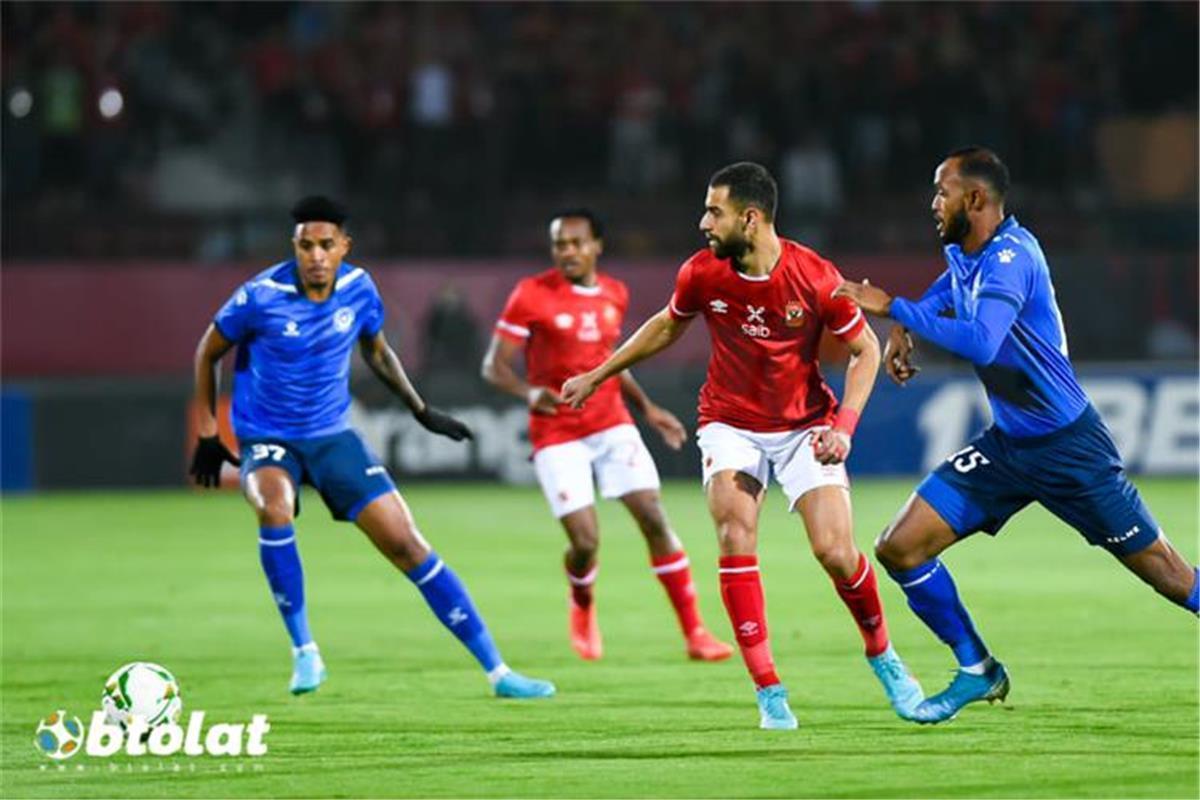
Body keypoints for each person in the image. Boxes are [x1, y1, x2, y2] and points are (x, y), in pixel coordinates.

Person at [834, 146, 1199, 724]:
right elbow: (949, 290)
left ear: (974, 198)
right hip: (1008, 447)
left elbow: (981, 339)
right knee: (899, 546)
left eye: (942, 191)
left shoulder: (1013, 256)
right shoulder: (965, 250)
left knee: (1171, 577)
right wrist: (906, 324)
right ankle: (978, 668)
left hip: (1068, 449)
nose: (934, 203)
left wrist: (889, 306)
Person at [561, 166, 923, 729]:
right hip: (729, 422)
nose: (704, 222)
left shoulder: (814, 276)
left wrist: (845, 427)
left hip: (805, 423)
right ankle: (769, 690)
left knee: (834, 551)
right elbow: (665, 326)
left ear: (750, 218)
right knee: (734, 532)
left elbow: (865, 350)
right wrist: (598, 373)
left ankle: (883, 655)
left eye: (714, 212)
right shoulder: (703, 273)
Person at [190, 195, 555, 700]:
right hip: (268, 437)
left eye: (325, 245)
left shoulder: (359, 289)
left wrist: (420, 409)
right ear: (293, 247)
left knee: (408, 544)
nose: (315, 255)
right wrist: (210, 432)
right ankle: (305, 652)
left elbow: (377, 349)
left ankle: (499, 672)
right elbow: (208, 351)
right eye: (305, 246)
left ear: (344, 246)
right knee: (274, 508)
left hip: (332, 436)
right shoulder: (259, 296)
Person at [481, 209, 733, 663]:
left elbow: (610, 363)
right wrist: (528, 392)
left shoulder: (615, 293)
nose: (568, 252)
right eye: (560, 244)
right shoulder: (530, 294)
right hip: (556, 431)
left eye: (577, 243)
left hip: (610, 421)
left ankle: (695, 632)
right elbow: (493, 366)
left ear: (597, 246)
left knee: (654, 519)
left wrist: (649, 410)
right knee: (585, 541)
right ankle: (581, 601)